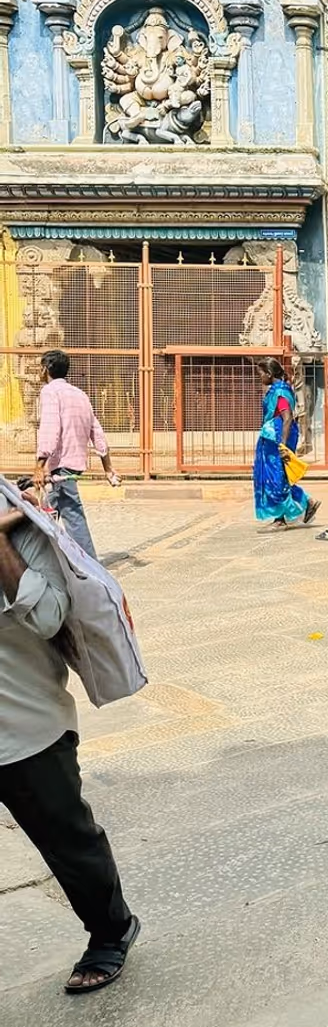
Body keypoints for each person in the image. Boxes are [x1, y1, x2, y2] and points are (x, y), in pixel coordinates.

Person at [0, 485, 141, 993]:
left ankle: (111, 931)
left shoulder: (21, 525)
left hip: (24, 728)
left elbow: (47, 616)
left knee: (68, 842)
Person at [34, 350, 120, 561]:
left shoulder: (50, 392)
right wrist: (108, 468)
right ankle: (43, 560)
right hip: (72, 464)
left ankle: (89, 566)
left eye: (40, 367)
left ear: (46, 369)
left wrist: (39, 465)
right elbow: (97, 431)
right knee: (43, 514)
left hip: (59, 467)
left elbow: (50, 427)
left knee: (70, 516)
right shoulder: (80, 394)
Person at [253, 358, 319, 528]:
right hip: (271, 438)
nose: (259, 377)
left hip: (278, 438)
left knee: (277, 477)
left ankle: (281, 518)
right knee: (277, 477)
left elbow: (287, 418)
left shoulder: (280, 392)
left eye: (261, 374)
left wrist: (282, 445)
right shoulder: (275, 390)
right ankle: (306, 502)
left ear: (269, 374)